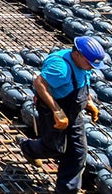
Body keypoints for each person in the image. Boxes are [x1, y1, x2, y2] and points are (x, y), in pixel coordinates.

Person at [20, 36, 104, 194]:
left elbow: (83, 82)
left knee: (78, 152)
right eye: (89, 63)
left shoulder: (84, 64)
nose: (91, 67)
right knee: (55, 148)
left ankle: (66, 191)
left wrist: (89, 101)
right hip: (52, 109)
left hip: (74, 111)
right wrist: (57, 111)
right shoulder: (60, 68)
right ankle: (28, 148)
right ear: (77, 54)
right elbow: (39, 84)